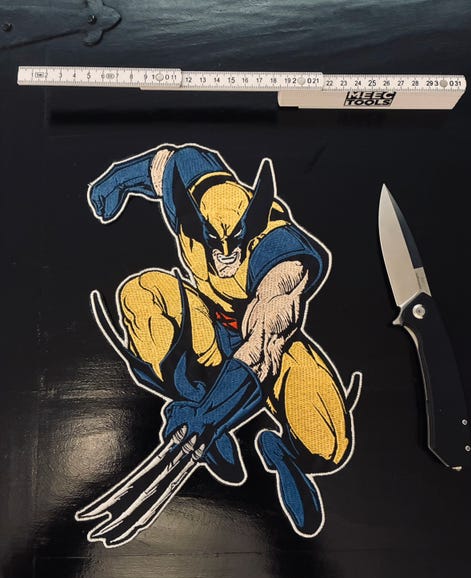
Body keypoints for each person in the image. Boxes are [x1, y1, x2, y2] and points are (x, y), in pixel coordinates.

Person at [83, 143, 361, 543]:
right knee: (142, 292)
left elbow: (262, 349)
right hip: (208, 328)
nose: (226, 255)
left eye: (237, 243)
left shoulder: (281, 255)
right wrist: (116, 181)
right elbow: (159, 165)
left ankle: (281, 453)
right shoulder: (192, 183)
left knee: (328, 444)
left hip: (272, 347)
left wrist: (208, 419)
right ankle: (194, 392)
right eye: (216, 242)